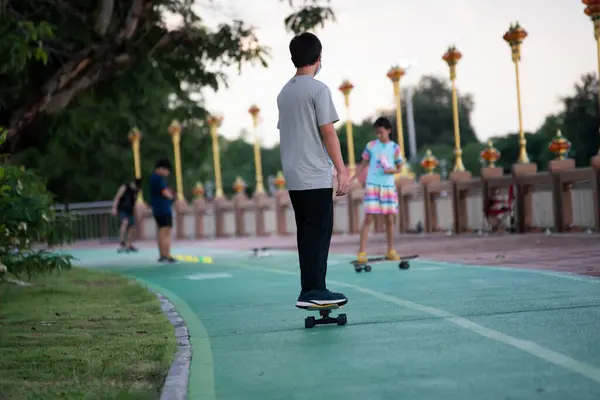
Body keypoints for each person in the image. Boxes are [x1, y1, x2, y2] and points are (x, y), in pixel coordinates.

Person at [277, 32, 349, 309]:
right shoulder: (319, 90)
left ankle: (309, 289)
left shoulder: (284, 92)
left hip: (294, 175)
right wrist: (341, 171)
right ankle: (315, 290)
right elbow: (328, 131)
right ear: (318, 58)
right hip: (315, 174)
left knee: (306, 235)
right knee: (319, 235)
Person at [350, 117, 404, 263]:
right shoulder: (371, 146)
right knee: (368, 218)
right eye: (377, 133)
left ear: (389, 131)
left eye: (381, 132)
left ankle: (391, 250)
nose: (379, 135)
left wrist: (391, 170)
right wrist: (353, 176)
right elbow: (363, 164)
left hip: (388, 186)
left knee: (390, 219)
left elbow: (400, 168)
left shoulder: (395, 148)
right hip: (372, 184)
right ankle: (361, 252)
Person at [149, 158, 176, 263]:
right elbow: (165, 192)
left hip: (157, 209)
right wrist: (172, 197)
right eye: (167, 170)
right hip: (164, 209)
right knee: (166, 232)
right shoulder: (158, 178)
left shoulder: (153, 178)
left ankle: (162, 255)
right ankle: (167, 255)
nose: (167, 173)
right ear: (161, 168)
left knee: (161, 232)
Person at [111, 178, 142, 252]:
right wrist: (114, 208)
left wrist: (137, 214)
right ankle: (122, 242)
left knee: (132, 227)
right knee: (125, 222)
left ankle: (129, 244)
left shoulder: (137, 191)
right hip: (122, 209)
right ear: (133, 184)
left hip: (130, 210)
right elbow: (117, 198)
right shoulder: (125, 187)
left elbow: (134, 203)